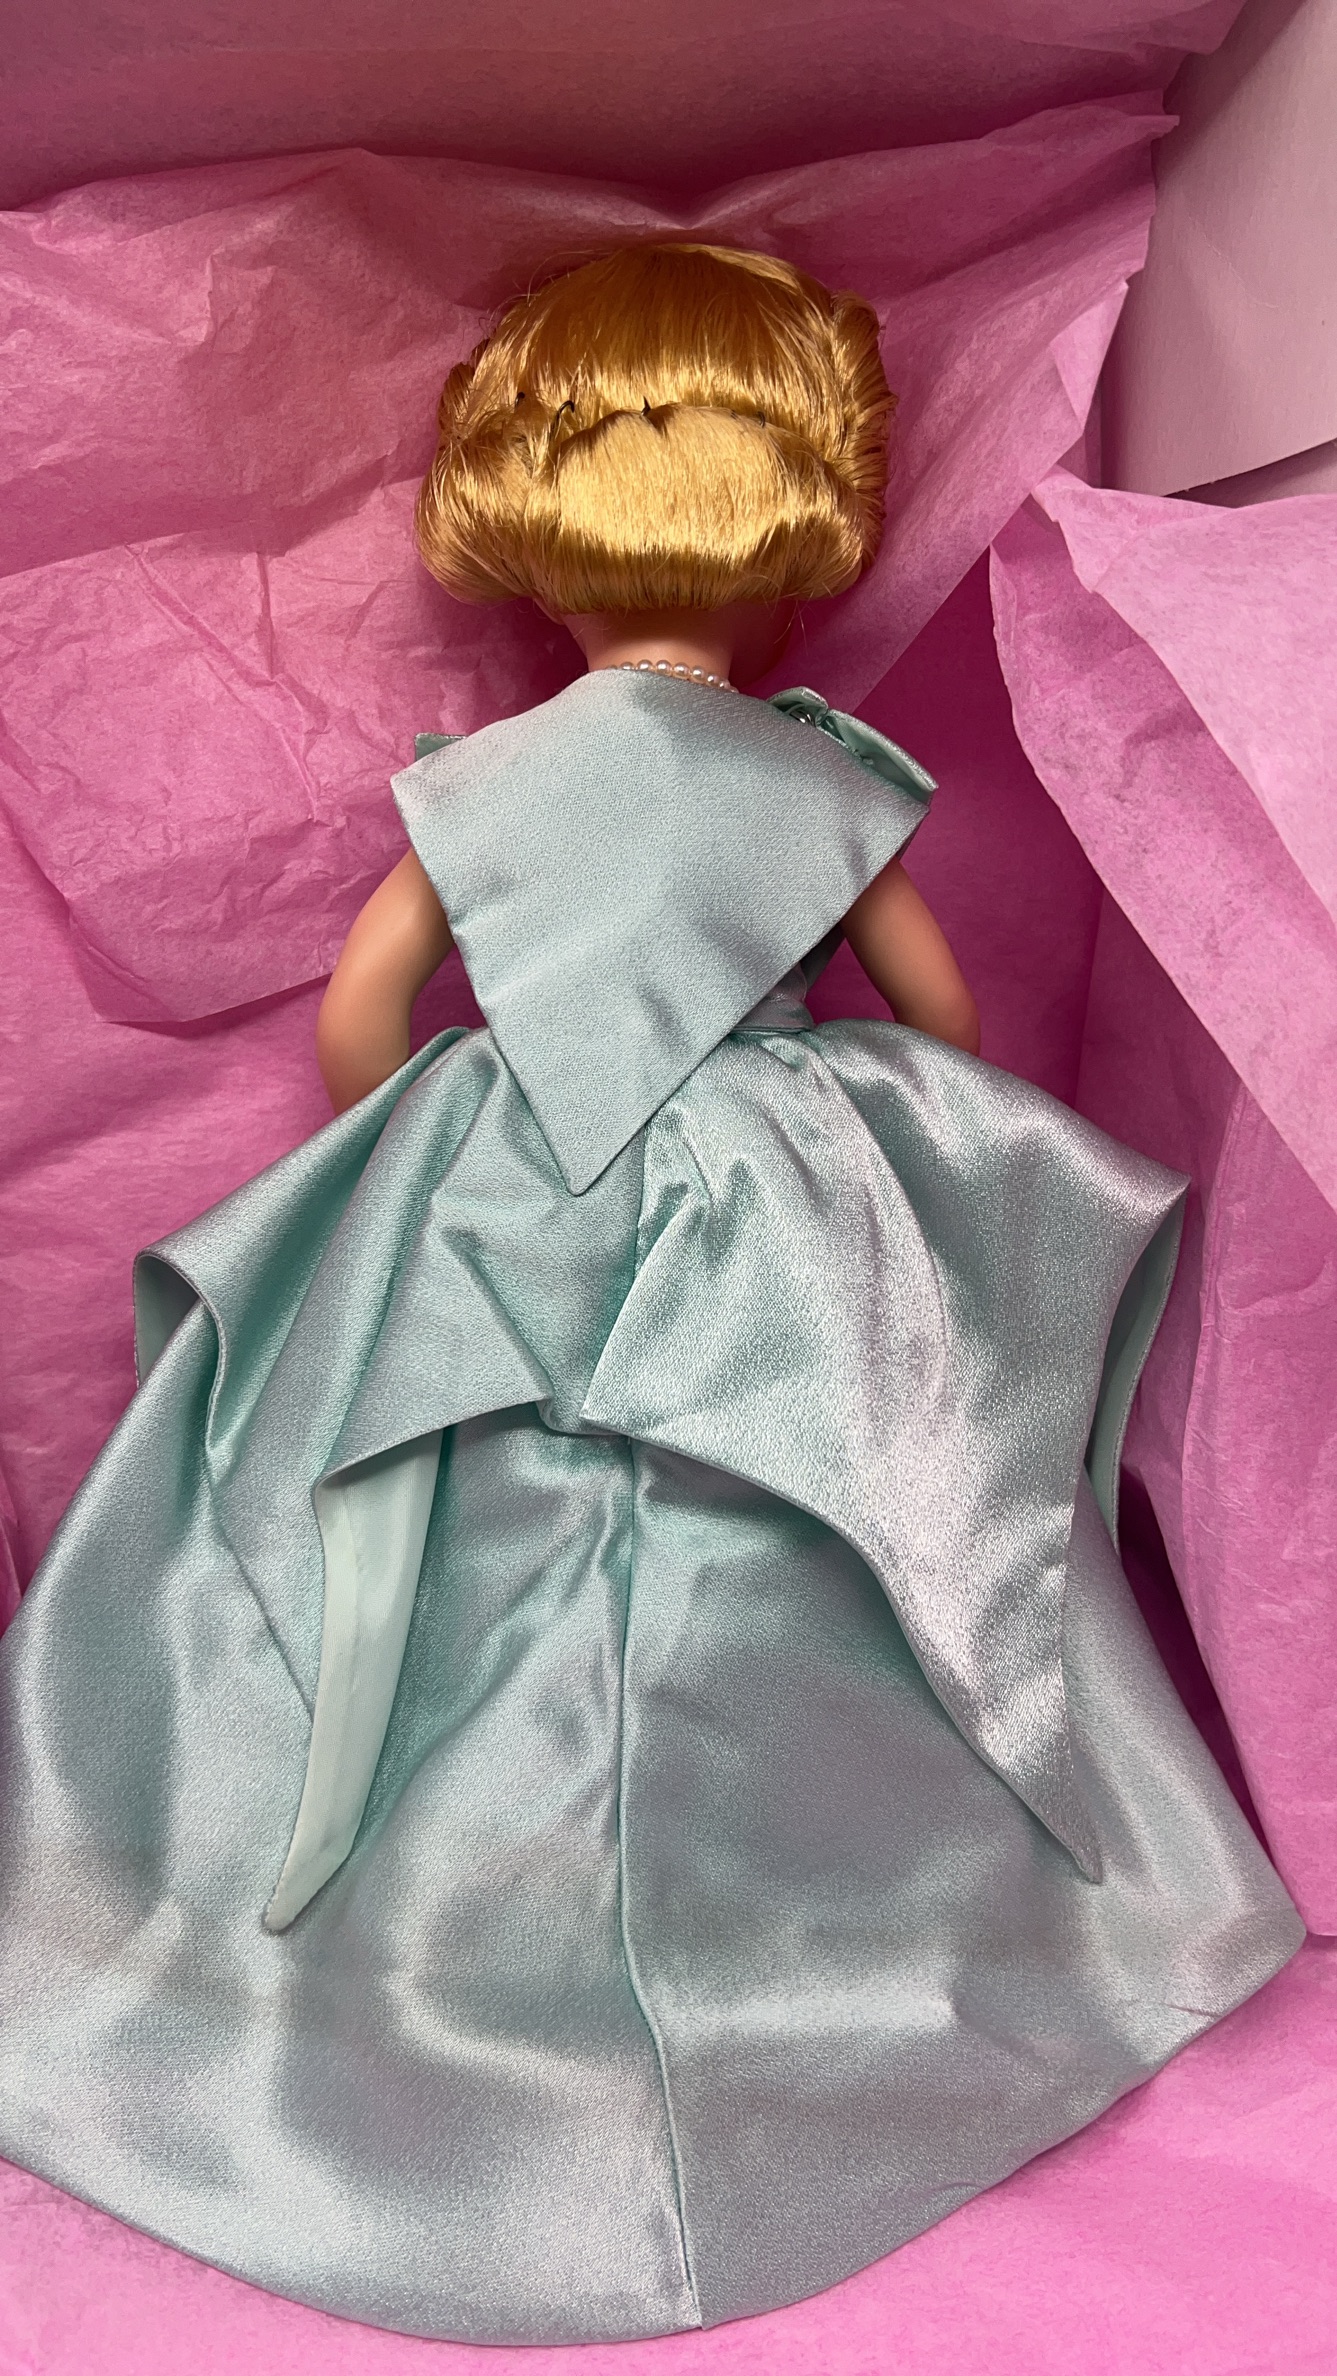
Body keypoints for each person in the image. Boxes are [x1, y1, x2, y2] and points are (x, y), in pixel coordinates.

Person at [0, 242, 1301, 2346]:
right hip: (776, 1181)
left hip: (509, 1171)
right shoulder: (814, 775)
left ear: (530, 520)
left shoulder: (491, 781)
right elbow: (942, 1020)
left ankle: (388, 1961)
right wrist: (872, 1139)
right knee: (864, 1501)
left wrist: (448, 1150)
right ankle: (880, 1928)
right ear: (798, 513)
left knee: (425, 1540)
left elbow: (364, 1017)